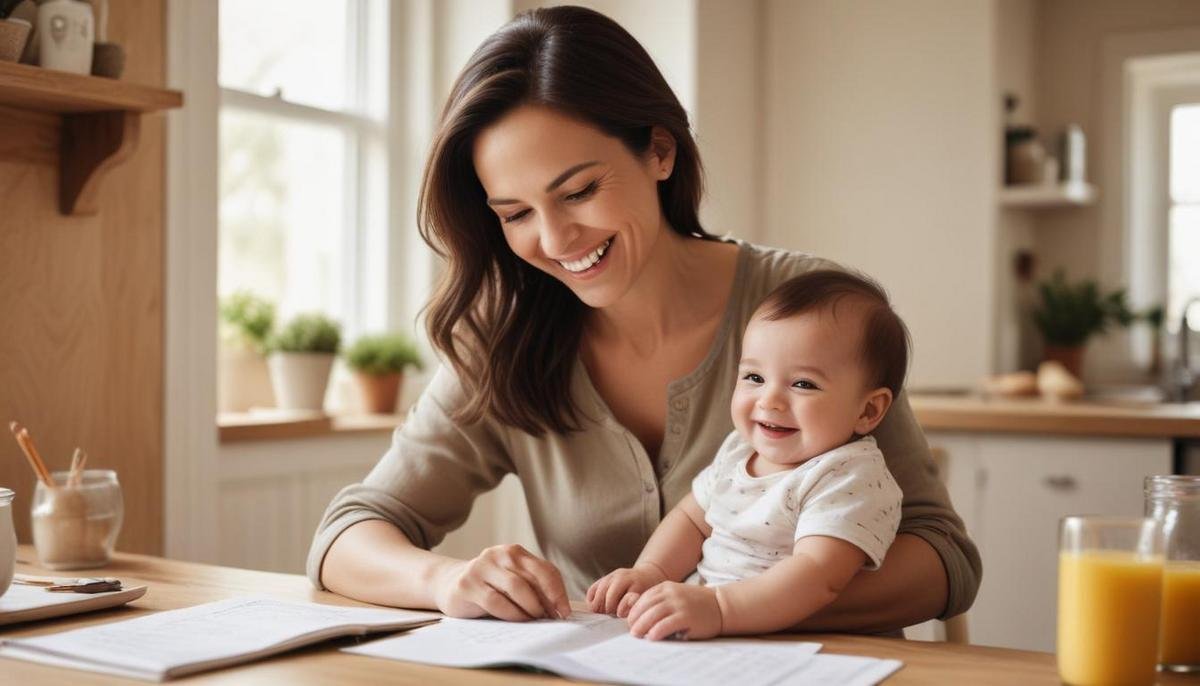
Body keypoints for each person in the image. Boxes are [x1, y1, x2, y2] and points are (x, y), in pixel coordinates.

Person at [307, 5, 980, 633]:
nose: (556, 237)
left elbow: (943, 560)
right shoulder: (504, 341)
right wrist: (445, 580)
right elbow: (348, 533)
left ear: (660, 151)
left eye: (578, 191)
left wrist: (737, 606)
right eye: (515, 214)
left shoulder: (804, 308)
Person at [587, 270, 907, 640]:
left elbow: (819, 575)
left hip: (813, 645)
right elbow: (692, 518)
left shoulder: (848, 475)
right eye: (754, 377)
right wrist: (651, 572)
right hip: (720, 629)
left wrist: (721, 608)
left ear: (868, 411)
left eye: (803, 384)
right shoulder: (740, 450)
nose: (769, 400)